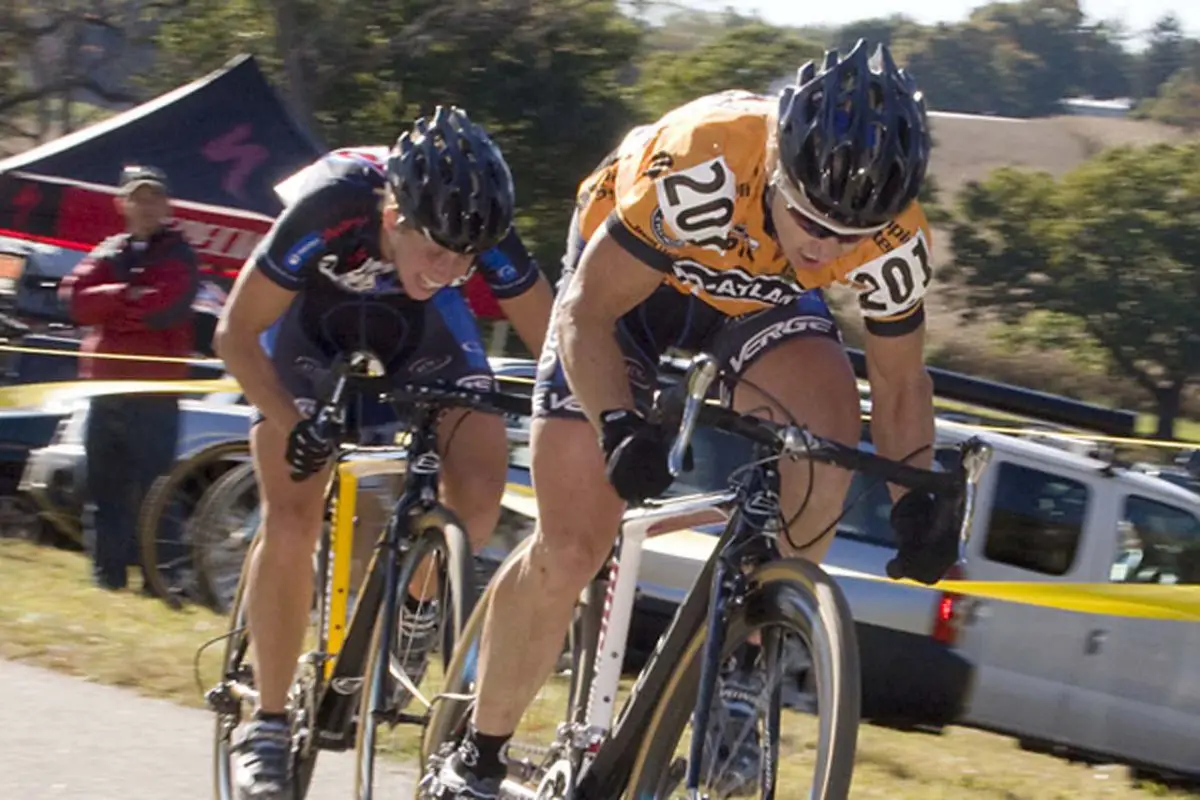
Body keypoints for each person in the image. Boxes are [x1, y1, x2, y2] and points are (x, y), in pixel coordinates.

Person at [430, 40, 953, 797]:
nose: (824, 247)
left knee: (828, 437)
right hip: (631, 288)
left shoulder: (895, 238)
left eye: (848, 236)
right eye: (809, 217)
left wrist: (916, 497)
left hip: (756, 301)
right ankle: (477, 754)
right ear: (778, 165)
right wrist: (616, 424)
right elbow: (585, 314)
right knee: (575, 542)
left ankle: (747, 664)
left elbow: (900, 388)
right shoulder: (705, 162)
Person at [213, 106, 553, 800]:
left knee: (481, 483)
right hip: (313, 320)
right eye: (437, 250)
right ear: (393, 212)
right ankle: (269, 724)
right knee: (293, 509)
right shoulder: (333, 204)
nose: (453, 267)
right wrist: (293, 421)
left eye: (467, 256)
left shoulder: (471, 230)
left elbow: (558, 344)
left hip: (417, 329)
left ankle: (418, 607)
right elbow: (235, 336)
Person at [58, 164, 198, 591]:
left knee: (158, 492)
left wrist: (115, 307)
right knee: (105, 490)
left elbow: (164, 309)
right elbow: (76, 301)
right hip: (107, 390)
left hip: (154, 393)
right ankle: (108, 578)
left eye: (154, 196)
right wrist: (126, 293)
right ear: (122, 204)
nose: (146, 206)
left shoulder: (180, 254)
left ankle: (164, 580)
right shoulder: (108, 250)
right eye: (137, 197)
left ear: (167, 204)